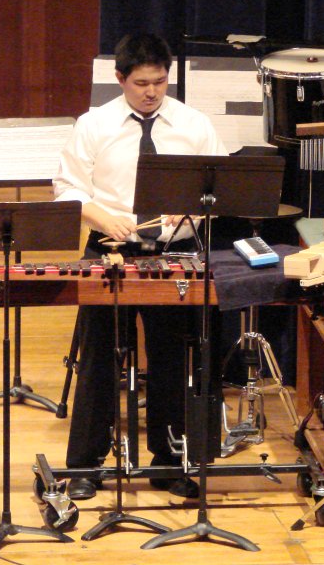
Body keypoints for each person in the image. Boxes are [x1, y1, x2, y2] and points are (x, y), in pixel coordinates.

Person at [54, 33, 228, 500]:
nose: (152, 92)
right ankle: (85, 465)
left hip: (174, 253)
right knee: (100, 358)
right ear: (120, 80)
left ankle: (169, 462)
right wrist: (99, 214)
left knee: (172, 359)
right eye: (141, 83)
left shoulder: (193, 124)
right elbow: (68, 189)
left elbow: (219, 187)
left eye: (160, 81)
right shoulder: (93, 124)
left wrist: (193, 205)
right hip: (111, 248)